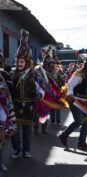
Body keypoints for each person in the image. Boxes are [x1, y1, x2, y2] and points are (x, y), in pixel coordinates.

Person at [11, 30, 45, 158]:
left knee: (27, 129)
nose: (19, 64)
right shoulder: (13, 74)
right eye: (17, 62)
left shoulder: (34, 74)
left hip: (30, 106)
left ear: (26, 62)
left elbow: (41, 88)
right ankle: (16, 149)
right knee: (14, 129)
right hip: (15, 105)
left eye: (21, 62)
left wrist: (39, 95)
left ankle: (26, 150)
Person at [59, 49, 87, 150]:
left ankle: (81, 143)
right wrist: (70, 94)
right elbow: (70, 84)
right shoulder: (80, 75)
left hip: (84, 103)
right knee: (78, 121)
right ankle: (64, 135)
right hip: (75, 101)